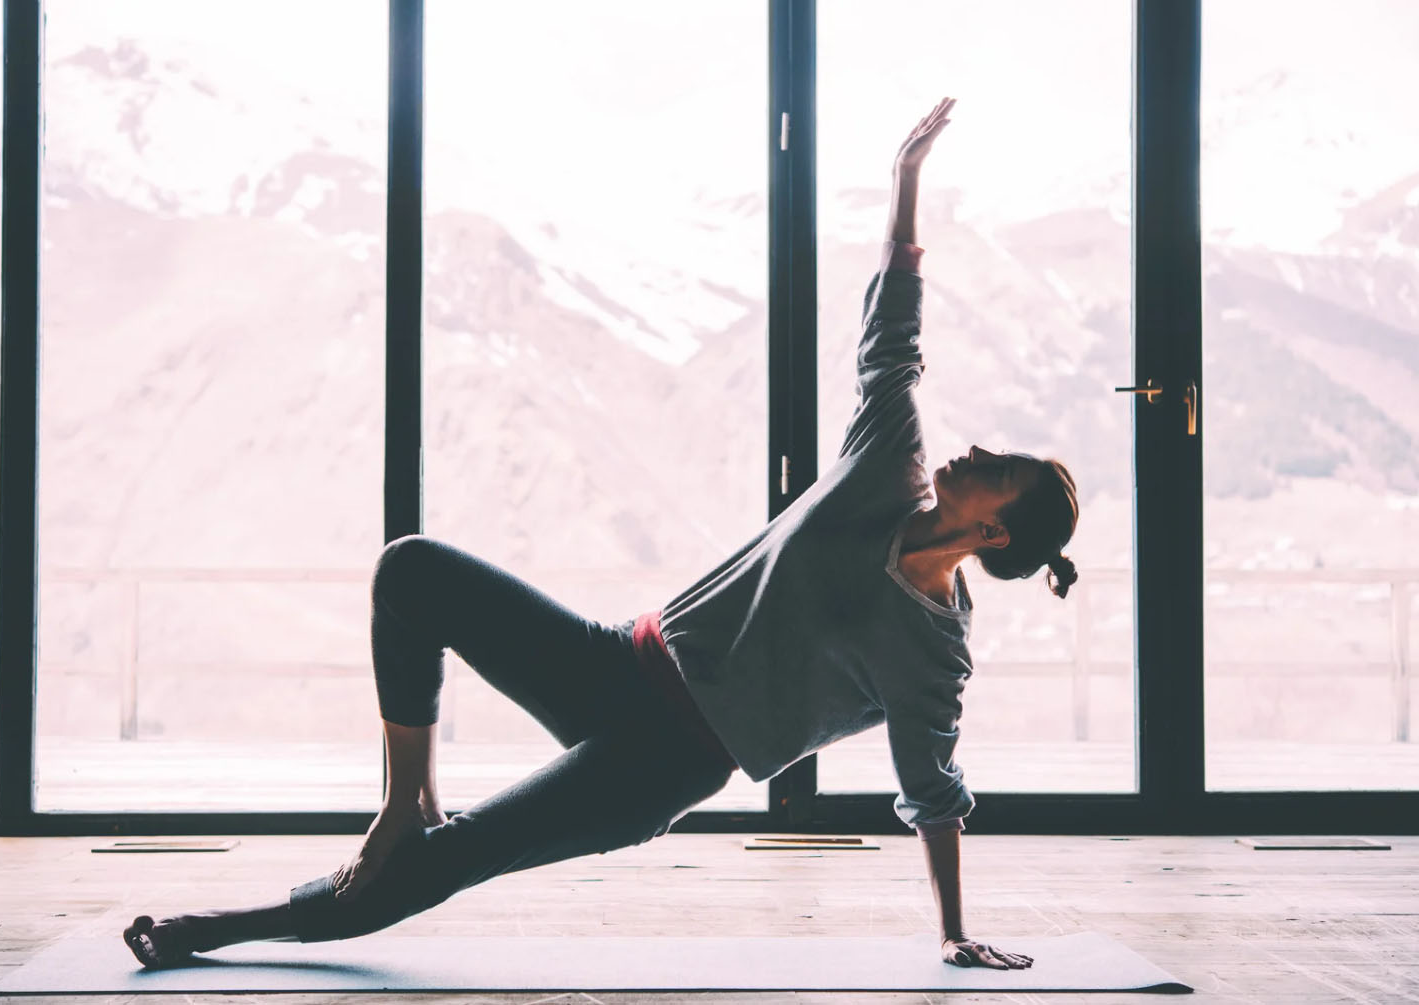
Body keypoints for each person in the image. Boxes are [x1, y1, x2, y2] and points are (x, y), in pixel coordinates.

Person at [124, 96, 1071, 973]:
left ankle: (222, 929)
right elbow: (892, 338)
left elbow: (931, 789)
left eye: (997, 470)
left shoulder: (932, 651)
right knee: (410, 573)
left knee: (459, 860)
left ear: (992, 533)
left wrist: (951, 931)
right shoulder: (886, 464)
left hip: (666, 760)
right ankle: (405, 798)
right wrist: (906, 180)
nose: (976, 451)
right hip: (620, 660)